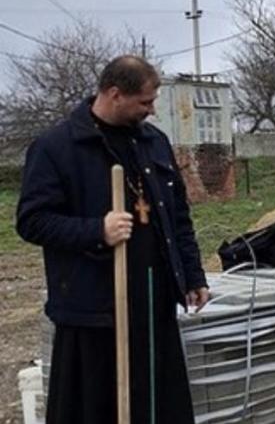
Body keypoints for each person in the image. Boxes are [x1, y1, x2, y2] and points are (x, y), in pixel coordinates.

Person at [17, 55, 209, 423]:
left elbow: (178, 216)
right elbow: (32, 221)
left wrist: (192, 274)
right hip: (93, 307)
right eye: (145, 102)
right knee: (96, 409)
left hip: (152, 304)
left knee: (157, 407)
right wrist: (97, 231)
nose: (152, 111)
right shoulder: (57, 147)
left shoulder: (154, 142)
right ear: (114, 93)